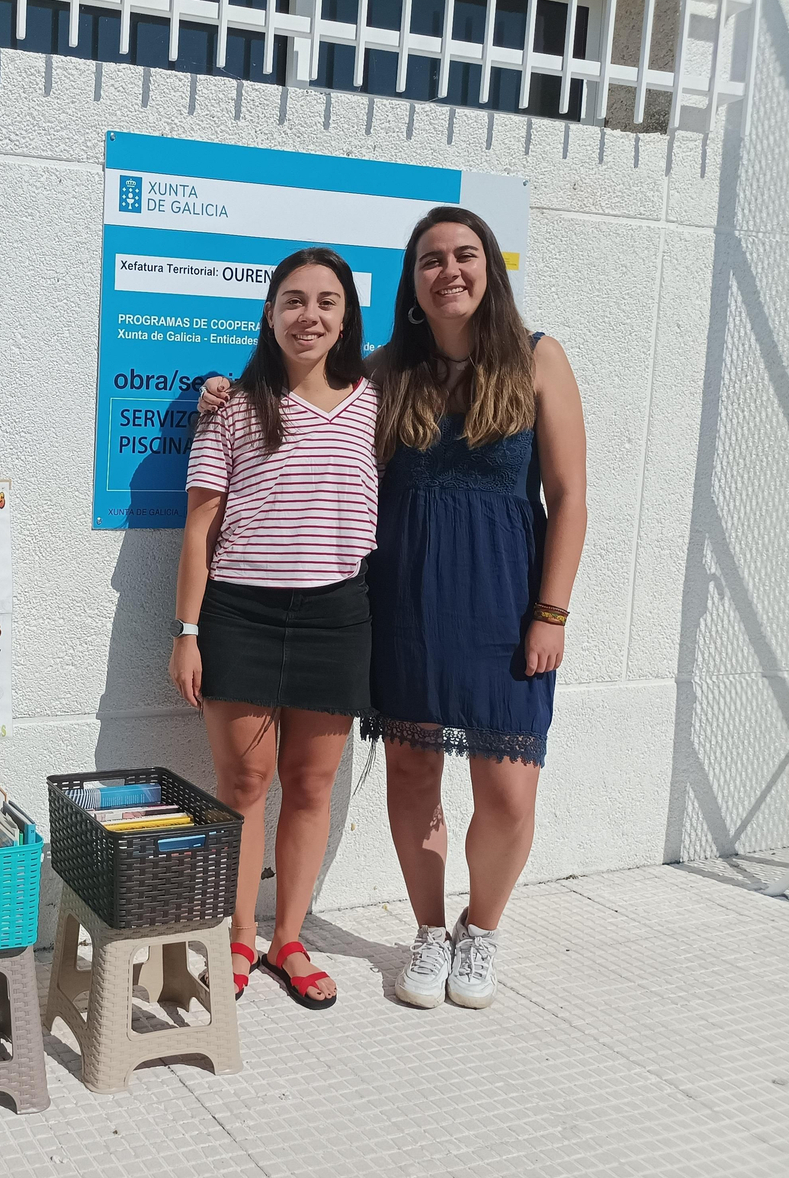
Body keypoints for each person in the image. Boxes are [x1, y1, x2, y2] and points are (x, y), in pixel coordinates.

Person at [199, 206, 587, 1010]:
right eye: (431, 260)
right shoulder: (385, 372)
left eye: (464, 255)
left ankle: (480, 931)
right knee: (411, 771)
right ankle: (428, 930)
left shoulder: (538, 357)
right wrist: (219, 391)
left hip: (506, 602)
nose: (449, 270)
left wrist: (552, 612)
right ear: (412, 284)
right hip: (405, 598)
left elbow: (571, 495)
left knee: (509, 791)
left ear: (490, 268)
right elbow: (306, 391)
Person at [170, 247, 379, 1008]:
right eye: (293, 300)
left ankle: (288, 938)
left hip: (337, 615)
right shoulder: (232, 406)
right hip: (241, 615)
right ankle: (235, 934)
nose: (310, 315)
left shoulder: (373, 403)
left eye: (327, 301)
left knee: (311, 783)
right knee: (244, 783)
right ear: (268, 312)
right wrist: (187, 630)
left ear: (347, 316)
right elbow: (198, 530)